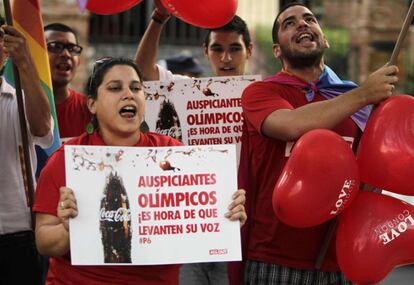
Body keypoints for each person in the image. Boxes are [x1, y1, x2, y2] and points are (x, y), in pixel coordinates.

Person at [33, 57, 247, 285]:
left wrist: (227, 217)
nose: (128, 94)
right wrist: (68, 229)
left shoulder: (175, 154)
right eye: (115, 88)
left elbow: (203, 231)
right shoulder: (67, 159)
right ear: (92, 104)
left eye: (136, 88)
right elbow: (44, 242)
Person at [238, 2, 399, 285]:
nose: (302, 24)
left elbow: (371, 177)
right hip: (275, 260)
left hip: (342, 261)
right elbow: (291, 125)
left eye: (309, 19)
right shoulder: (260, 93)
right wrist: (363, 94)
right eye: (289, 24)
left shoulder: (357, 102)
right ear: (277, 50)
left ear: (323, 39)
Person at [0, 21, 53, 285]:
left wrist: (27, 65)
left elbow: (43, 130)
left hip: (16, 236)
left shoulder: (17, 100)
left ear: (5, 50)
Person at [135, 0, 252, 82]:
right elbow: (143, 72)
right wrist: (159, 16)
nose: (226, 58)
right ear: (206, 52)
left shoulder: (265, 94)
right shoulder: (191, 91)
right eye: (217, 49)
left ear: (249, 50)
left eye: (235, 49)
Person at [44, 23, 91, 141]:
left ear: (79, 61)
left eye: (72, 49)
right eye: (55, 46)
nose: (66, 54)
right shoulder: (16, 105)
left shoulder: (91, 110)